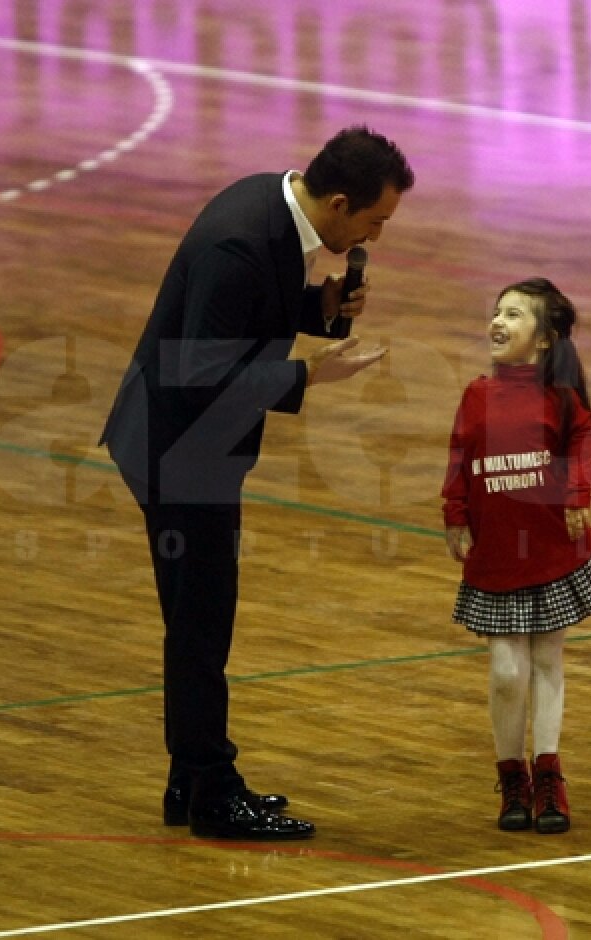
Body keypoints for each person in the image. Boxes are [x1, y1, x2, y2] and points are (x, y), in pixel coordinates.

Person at [100, 126, 415, 840]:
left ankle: (191, 779)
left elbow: (241, 319)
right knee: (202, 626)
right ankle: (213, 792)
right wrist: (309, 372)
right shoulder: (240, 243)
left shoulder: (271, 203)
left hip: (184, 440)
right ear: (339, 203)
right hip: (180, 449)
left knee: (196, 622)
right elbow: (202, 369)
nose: (377, 235)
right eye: (375, 221)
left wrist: (321, 313)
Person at [441, 278, 591, 835]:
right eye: (496, 312)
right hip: (497, 557)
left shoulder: (562, 399)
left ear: (543, 340)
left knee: (544, 661)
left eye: (514, 315)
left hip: (550, 552)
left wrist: (576, 496)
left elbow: (585, 447)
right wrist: (454, 512)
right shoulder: (476, 395)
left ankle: (547, 772)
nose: (498, 321)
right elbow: (459, 457)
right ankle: (509, 772)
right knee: (506, 672)